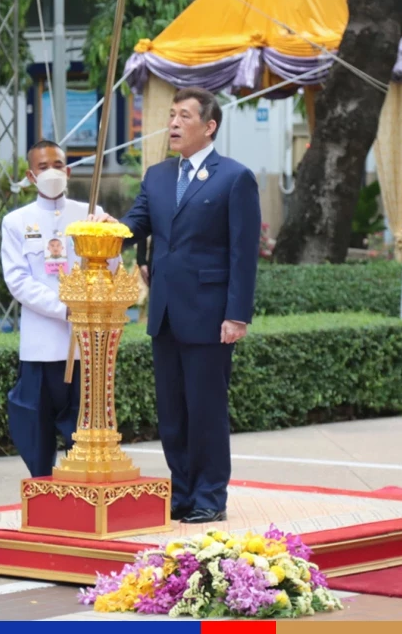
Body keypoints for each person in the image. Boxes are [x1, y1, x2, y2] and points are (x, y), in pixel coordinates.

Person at [95, 88, 261, 524]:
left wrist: (237, 314)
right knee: (172, 411)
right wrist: (113, 228)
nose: (173, 123)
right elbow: (138, 224)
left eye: (184, 116)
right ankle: (182, 492)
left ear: (209, 126)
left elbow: (243, 253)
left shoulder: (234, 177)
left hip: (209, 313)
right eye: (171, 115)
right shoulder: (157, 175)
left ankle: (210, 496)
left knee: (206, 408)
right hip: (166, 312)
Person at [1, 140, 108, 478]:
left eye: (58, 165)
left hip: (85, 348)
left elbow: (110, 269)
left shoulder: (89, 213)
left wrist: (108, 236)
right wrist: (66, 309)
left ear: (69, 170)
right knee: (36, 429)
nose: (52, 173)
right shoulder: (16, 221)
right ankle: (42, 488)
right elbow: (18, 281)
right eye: (43, 167)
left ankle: (83, 491)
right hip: (42, 345)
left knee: (84, 430)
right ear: (31, 176)